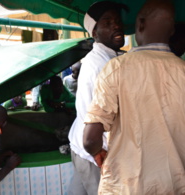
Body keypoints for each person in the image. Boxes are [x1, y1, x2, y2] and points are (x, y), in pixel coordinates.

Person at [83, 0, 185, 194]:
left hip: (128, 184)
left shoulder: (116, 68)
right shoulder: (183, 70)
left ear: (140, 25)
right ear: (171, 32)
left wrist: (97, 152)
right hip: (176, 183)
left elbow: (90, 140)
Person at [68, 1, 128, 194]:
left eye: (117, 21)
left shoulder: (112, 59)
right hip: (95, 153)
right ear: (94, 32)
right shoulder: (97, 65)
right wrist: (99, 151)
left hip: (83, 147)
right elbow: (89, 113)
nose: (116, 25)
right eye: (107, 22)